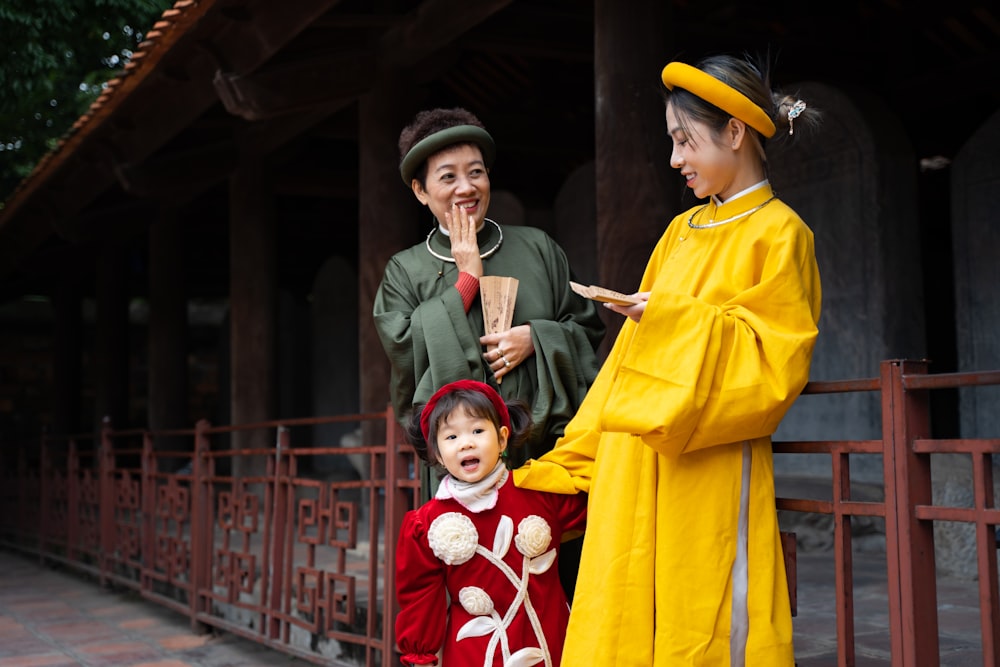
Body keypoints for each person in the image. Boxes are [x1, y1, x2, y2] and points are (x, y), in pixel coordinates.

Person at [514, 54, 823, 666]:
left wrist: (671, 320)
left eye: (686, 141)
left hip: (708, 462)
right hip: (635, 455)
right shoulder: (679, 230)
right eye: (672, 142)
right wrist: (577, 456)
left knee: (706, 615)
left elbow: (774, 365)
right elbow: (627, 358)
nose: (676, 159)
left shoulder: (782, 233)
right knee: (629, 608)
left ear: (735, 132)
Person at [373, 107, 605, 473]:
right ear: (420, 190)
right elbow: (405, 350)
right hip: (460, 460)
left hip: (543, 449)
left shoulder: (537, 248)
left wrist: (537, 339)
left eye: (476, 172)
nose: (466, 187)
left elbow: (587, 328)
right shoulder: (405, 270)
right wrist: (466, 279)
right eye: (448, 177)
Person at [394, 380, 587, 667]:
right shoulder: (426, 524)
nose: (466, 443)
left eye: (477, 430)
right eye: (451, 437)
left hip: (551, 643)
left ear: (503, 438)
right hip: (473, 653)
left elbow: (601, 510)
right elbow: (420, 598)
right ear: (436, 453)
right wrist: (421, 657)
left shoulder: (541, 493)